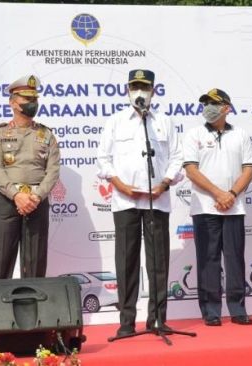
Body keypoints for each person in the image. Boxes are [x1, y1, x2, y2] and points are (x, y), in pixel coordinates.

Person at [96, 69, 183, 336]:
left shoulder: (164, 121)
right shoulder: (116, 121)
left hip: (157, 200)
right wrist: (120, 185)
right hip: (125, 201)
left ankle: (157, 319)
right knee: (126, 260)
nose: (139, 92)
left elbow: (178, 157)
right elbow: (103, 159)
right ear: (127, 90)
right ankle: (126, 321)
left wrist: (164, 183)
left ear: (153, 91)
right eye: (135, 86)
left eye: (144, 87)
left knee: (158, 260)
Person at [183, 89, 252, 326]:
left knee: (235, 258)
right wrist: (218, 193)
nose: (208, 107)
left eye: (213, 103)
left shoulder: (241, 134)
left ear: (227, 107)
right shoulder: (193, 134)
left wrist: (231, 194)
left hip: (234, 207)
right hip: (205, 207)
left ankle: (237, 308)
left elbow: (248, 169)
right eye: (205, 103)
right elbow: (191, 170)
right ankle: (211, 311)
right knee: (208, 259)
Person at [0, 74, 60, 280]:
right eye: (27, 99)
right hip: (7, 200)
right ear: (13, 102)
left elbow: (53, 170)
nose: (32, 104)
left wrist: (36, 197)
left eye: (34, 99)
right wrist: (16, 195)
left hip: (37, 201)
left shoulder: (47, 134)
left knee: (35, 262)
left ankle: (34, 310)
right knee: (1, 259)